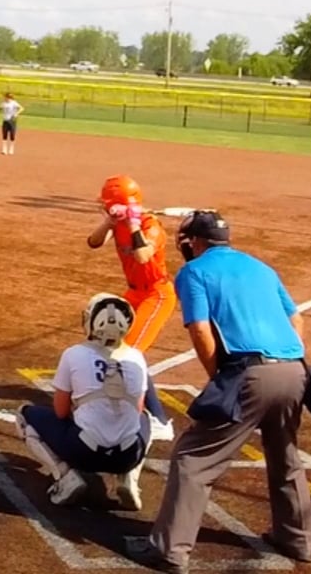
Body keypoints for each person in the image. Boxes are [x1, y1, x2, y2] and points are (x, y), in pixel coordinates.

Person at [128, 210, 311, 571]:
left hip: (249, 374)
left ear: (195, 242)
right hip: (296, 372)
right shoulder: (261, 268)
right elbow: (296, 319)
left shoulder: (194, 272)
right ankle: (297, 540)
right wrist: (288, 359)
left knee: (193, 459)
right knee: (285, 457)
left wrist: (220, 378)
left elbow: (200, 329)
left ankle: (169, 550)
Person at [17, 292, 160, 510]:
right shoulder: (137, 357)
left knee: (25, 416)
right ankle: (128, 479)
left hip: (84, 453)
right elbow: (137, 410)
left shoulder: (73, 354)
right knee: (145, 418)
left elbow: (60, 412)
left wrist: (84, 408)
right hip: (127, 456)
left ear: (93, 322)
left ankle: (66, 477)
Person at [85, 175, 177, 442]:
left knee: (130, 354)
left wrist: (134, 223)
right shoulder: (117, 223)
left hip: (156, 294)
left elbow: (143, 256)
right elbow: (93, 242)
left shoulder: (151, 226)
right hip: (134, 292)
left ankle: (159, 420)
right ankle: (117, 403)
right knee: (111, 344)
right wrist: (111, 221)